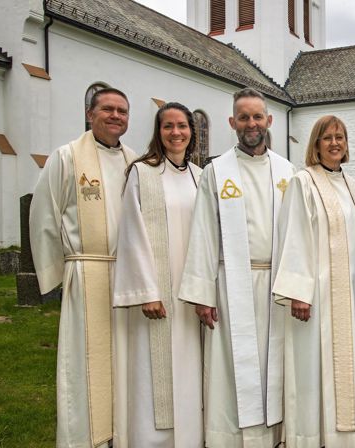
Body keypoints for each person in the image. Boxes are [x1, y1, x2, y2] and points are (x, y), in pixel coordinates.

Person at [178, 87, 294, 447]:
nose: (251, 123)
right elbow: (203, 231)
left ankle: (276, 437)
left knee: (273, 368)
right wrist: (203, 293)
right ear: (232, 122)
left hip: (277, 287)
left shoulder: (287, 171)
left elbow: (298, 235)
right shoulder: (217, 172)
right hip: (232, 288)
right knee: (231, 370)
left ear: (269, 121)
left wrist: (298, 285)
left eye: (257, 116)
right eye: (243, 117)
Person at [30, 87, 136, 447]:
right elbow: (44, 215)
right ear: (90, 114)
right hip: (86, 272)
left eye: (122, 111)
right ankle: (83, 437)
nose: (115, 116)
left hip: (127, 275)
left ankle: (121, 433)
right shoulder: (67, 157)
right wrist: (56, 277)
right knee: (83, 364)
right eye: (107, 109)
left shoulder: (134, 161)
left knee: (124, 360)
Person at [272, 115, 355, 447]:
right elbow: (294, 235)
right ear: (315, 145)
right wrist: (299, 292)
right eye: (326, 138)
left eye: (340, 137)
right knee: (315, 370)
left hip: (353, 297)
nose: (334, 143)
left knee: (347, 369)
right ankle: (313, 438)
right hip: (318, 299)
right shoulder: (304, 182)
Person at [113, 102, 204, 447]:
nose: (176, 132)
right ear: (158, 132)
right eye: (168, 126)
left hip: (191, 291)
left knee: (192, 370)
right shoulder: (142, 172)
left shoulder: (199, 176)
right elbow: (131, 232)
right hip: (159, 294)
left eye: (182, 126)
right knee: (156, 374)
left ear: (191, 133)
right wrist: (147, 291)